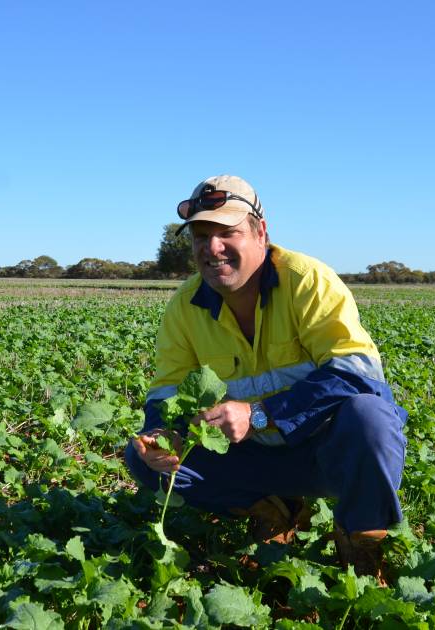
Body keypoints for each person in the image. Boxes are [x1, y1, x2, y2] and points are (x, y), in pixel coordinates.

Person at [124, 175, 407, 580]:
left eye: (227, 232)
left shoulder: (307, 280)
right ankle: (273, 511)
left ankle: (360, 540)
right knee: (142, 459)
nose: (212, 247)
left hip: (322, 453)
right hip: (250, 458)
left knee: (370, 418)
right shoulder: (184, 307)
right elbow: (167, 390)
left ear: (260, 232)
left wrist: (258, 414)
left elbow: (357, 372)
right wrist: (161, 434)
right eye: (201, 235)